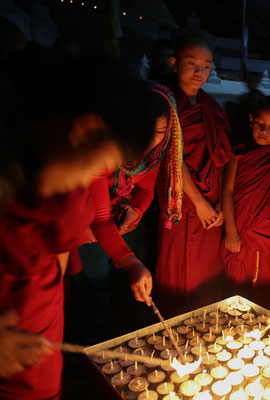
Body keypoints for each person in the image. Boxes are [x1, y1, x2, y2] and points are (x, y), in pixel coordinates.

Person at [0, 47, 157, 399]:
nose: (89, 181)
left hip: (36, 356)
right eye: (98, 166)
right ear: (86, 131)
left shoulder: (43, 180)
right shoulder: (8, 181)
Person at [66, 83, 183, 341]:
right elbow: (99, 219)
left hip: (121, 226)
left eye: (161, 132)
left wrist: (137, 212)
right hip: (87, 229)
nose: (150, 140)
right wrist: (131, 262)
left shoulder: (155, 152)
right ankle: (93, 358)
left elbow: (145, 191)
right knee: (94, 299)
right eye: (143, 130)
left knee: (126, 297)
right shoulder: (102, 151)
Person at [154, 34, 232, 316]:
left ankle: (204, 329)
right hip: (182, 201)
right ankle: (174, 330)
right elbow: (170, 156)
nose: (200, 72)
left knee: (206, 272)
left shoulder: (211, 106)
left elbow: (222, 156)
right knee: (179, 269)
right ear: (174, 64)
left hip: (210, 203)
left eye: (207, 65)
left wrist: (221, 202)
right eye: (192, 63)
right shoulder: (164, 101)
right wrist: (199, 203)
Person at [220, 95, 270, 313]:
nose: (264, 131)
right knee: (239, 280)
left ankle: (267, 329)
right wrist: (231, 231)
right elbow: (227, 191)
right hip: (242, 230)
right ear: (251, 120)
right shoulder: (239, 153)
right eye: (260, 124)